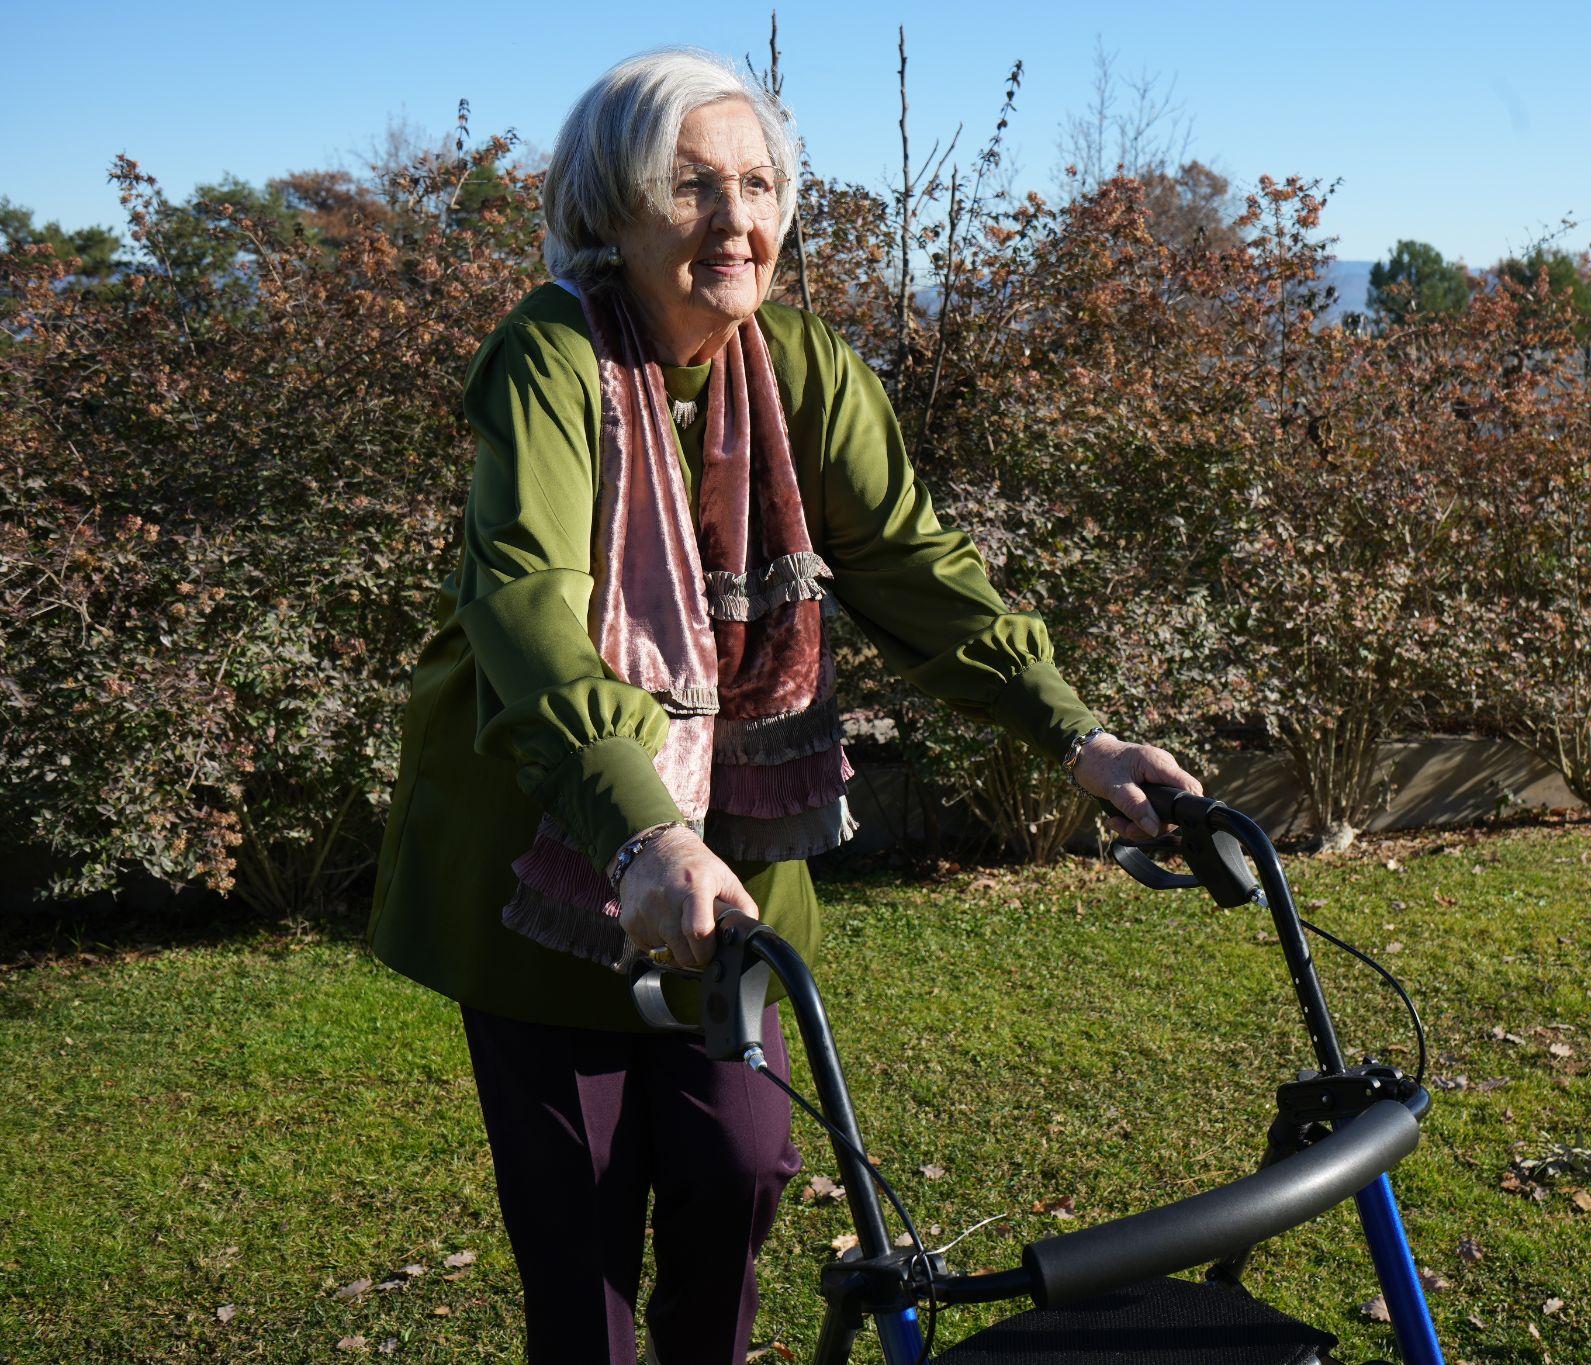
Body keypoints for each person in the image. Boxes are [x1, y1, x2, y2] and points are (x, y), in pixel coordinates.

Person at [367, 45, 1202, 1365]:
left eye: (759, 184)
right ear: (614, 208)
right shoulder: (551, 356)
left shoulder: (803, 367)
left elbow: (915, 569)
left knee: (742, 1169)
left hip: (741, 856)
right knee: (582, 1256)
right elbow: (524, 614)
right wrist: (642, 829)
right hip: (545, 850)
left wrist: (1077, 736)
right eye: (694, 187)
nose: (739, 219)